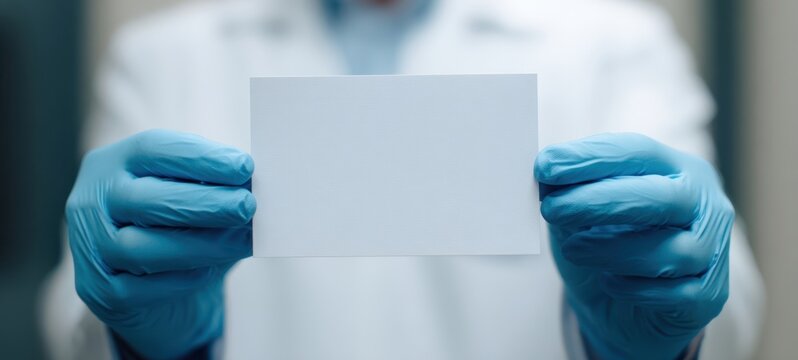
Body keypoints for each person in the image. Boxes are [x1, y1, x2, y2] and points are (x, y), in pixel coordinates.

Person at [40, 0, 766, 359]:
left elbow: (729, 298)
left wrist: (657, 336)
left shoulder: (615, 41)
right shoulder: (164, 53)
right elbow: (69, 310)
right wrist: (144, 336)